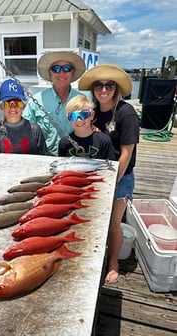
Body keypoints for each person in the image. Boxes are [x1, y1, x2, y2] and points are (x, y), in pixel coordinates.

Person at [79, 64, 140, 283]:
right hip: (95, 174)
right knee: (92, 219)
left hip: (120, 177)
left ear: (116, 88)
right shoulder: (92, 111)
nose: (103, 89)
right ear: (93, 88)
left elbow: (126, 153)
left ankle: (113, 263)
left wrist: (114, 182)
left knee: (114, 221)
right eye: (99, 85)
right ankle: (91, 255)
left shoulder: (126, 112)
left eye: (109, 85)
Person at [22, 51, 86, 156]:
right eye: (56, 69)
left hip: (75, 159)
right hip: (44, 158)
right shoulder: (36, 100)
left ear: (72, 72)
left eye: (67, 69)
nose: (61, 73)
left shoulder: (83, 100)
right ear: (50, 73)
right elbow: (23, 127)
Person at [0, 79, 47, 155]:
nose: (13, 108)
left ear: (23, 106)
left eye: (17, 103)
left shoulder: (35, 130)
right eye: (7, 103)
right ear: (1, 107)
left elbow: (42, 157)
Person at [58, 95, 116, 160]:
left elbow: (110, 165)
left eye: (83, 115)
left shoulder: (104, 141)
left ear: (92, 115)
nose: (79, 120)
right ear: (68, 119)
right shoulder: (64, 143)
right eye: (73, 116)